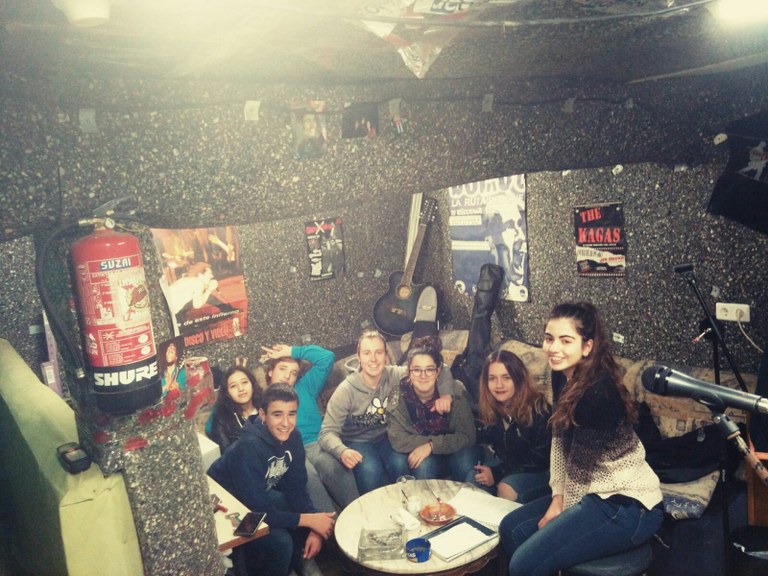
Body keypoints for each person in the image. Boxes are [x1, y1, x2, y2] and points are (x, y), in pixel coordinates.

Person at [499, 302, 663, 576]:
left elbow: (579, 472)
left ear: (587, 346)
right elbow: (559, 438)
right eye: (549, 338)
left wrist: (559, 511)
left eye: (566, 341)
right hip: (590, 492)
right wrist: (557, 495)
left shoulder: (597, 393)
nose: (553, 348)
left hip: (627, 505)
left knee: (521, 565)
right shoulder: (561, 374)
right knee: (511, 529)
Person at [207, 384, 336, 576]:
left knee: (299, 514)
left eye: (291, 414)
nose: (286, 423)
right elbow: (258, 508)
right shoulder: (249, 447)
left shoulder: (293, 437)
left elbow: (297, 489)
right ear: (262, 414)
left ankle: (295, 566)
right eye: (277, 414)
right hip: (226, 508)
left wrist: (315, 528)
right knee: (281, 542)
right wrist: (309, 519)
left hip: (253, 496)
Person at [318, 329, 454, 495]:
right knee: (370, 469)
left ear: (386, 356)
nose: (373, 359)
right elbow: (326, 433)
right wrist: (342, 451)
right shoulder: (346, 391)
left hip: (388, 437)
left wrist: (446, 394)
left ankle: (407, 503)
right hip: (357, 441)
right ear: (358, 357)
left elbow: (441, 368)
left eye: (379, 352)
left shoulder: (394, 375)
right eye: (367, 353)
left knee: (400, 463)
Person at [261, 343, 358, 509]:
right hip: (288, 451)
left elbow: (327, 358)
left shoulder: (305, 386)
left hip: (316, 444)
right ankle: (330, 522)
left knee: (331, 466)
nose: (287, 376)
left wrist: (292, 351)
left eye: (293, 373)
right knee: (307, 477)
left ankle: (358, 514)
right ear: (270, 371)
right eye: (283, 369)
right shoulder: (261, 399)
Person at [468, 349, 551, 503]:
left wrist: (497, 473)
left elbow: (538, 460)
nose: (499, 385)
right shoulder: (492, 406)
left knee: (506, 487)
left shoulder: (539, 408)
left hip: (537, 470)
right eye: (492, 378)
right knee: (474, 477)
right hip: (506, 462)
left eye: (506, 377)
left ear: (518, 378)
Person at [387, 344, 478, 481]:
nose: (423, 376)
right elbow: (398, 439)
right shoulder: (398, 396)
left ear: (438, 371)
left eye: (429, 369)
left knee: (464, 461)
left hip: (457, 451)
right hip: (426, 455)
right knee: (423, 466)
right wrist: (430, 447)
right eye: (416, 370)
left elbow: (467, 436)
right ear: (409, 372)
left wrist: (432, 445)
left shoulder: (456, 392)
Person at [206, 365, 261, 451]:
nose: (241, 389)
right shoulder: (222, 420)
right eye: (233, 386)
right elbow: (227, 454)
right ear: (227, 392)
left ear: (252, 384)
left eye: (244, 382)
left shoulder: (266, 407)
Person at [165, 262, 236, 325]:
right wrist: (209, 289)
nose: (212, 276)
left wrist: (207, 289)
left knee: (203, 294)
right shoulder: (198, 283)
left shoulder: (190, 279)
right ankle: (227, 309)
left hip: (167, 309)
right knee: (204, 294)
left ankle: (226, 308)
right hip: (171, 314)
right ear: (200, 275)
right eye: (209, 274)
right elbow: (197, 305)